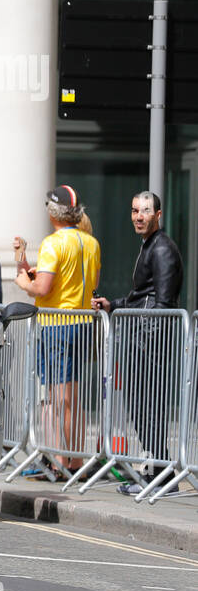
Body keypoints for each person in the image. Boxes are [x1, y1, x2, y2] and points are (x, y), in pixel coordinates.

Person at [92, 191, 184, 491]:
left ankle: (164, 475)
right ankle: (158, 471)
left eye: (145, 211)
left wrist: (149, 345)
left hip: (149, 343)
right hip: (141, 338)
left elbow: (164, 304)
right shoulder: (151, 245)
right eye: (134, 211)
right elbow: (143, 295)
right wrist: (113, 304)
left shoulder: (162, 249)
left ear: (158, 215)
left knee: (148, 409)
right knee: (141, 409)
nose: (138, 216)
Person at [14, 185, 102, 474]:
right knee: (72, 398)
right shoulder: (91, 242)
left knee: (57, 397)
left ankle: (61, 461)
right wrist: (26, 265)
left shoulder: (54, 243)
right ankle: (73, 459)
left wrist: (23, 282)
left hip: (56, 325)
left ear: (52, 212)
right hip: (83, 323)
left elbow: (42, 287)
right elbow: (87, 282)